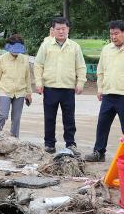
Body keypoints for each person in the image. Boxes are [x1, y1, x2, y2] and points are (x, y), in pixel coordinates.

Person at [85, 20, 124, 162]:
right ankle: (98, 152)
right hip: (108, 94)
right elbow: (100, 70)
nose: (113, 37)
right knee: (102, 124)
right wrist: (100, 88)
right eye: (111, 34)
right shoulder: (107, 49)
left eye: (116, 33)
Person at [33, 17, 85, 153]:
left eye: (64, 29)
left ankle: (70, 144)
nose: (61, 31)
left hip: (68, 88)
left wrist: (80, 82)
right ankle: (49, 144)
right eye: (58, 29)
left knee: (69, 118)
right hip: (50, 88)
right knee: (49, 117)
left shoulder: (74, 47)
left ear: (68, 30)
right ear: (53, 30)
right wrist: (38, 82)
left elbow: (80, 66)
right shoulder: (46, 46)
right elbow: (38, 65)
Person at [0, 34, 31, 138]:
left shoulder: (25, 59)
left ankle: (14, 139)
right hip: (5, 91)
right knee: (3, 115)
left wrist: (29, 93)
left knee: (16, 118)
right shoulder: (2, 59)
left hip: (20, 92)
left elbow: (28, 78)